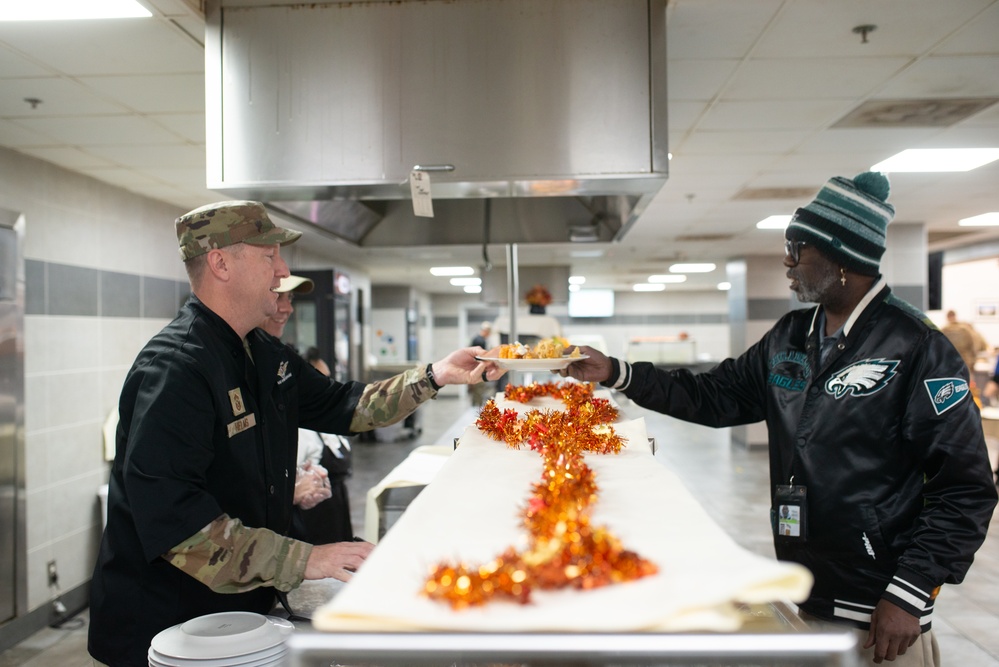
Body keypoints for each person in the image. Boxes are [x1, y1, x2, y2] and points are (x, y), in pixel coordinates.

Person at [559, 172, 997, 666]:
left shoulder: (916, 347)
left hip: (878, 612)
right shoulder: (791, 334)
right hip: (807, 587)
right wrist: (618, 373)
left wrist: (910, 592)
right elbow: (716, 394)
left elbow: (965, 488)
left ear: (843, 257)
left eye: (799, 247)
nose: (788, 261)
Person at [88, 201, 503, 666]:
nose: (281, 270)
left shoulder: (265, 354)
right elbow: (179, 529)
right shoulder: (175, 369)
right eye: (269, 256)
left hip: (239, 614)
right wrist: (307, 559)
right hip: (165, 627)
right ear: (220, 263)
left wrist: (436, 375)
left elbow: (347, 405)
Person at [261, 275, 354, 544]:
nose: (287, 308)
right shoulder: (190, 365)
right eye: (277, 295)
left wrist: (432, 377)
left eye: (289, 298)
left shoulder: (278, 360)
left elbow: (344, 403)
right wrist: (287, 492)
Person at [940, 309, 987, 377]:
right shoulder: (966, 329)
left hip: (949, 364)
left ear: (947, 317)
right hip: (966, 363)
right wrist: (973, 361)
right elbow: (977, 346)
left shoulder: (943, 330)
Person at [469, 321, 495, 406]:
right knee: (479, 388)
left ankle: (475, 406)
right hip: (477, 368)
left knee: (477, 389)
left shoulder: (477, 339)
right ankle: (478, 407)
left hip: (474, 367)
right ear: (486, 331)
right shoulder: (480, 341)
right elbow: (480, 357)